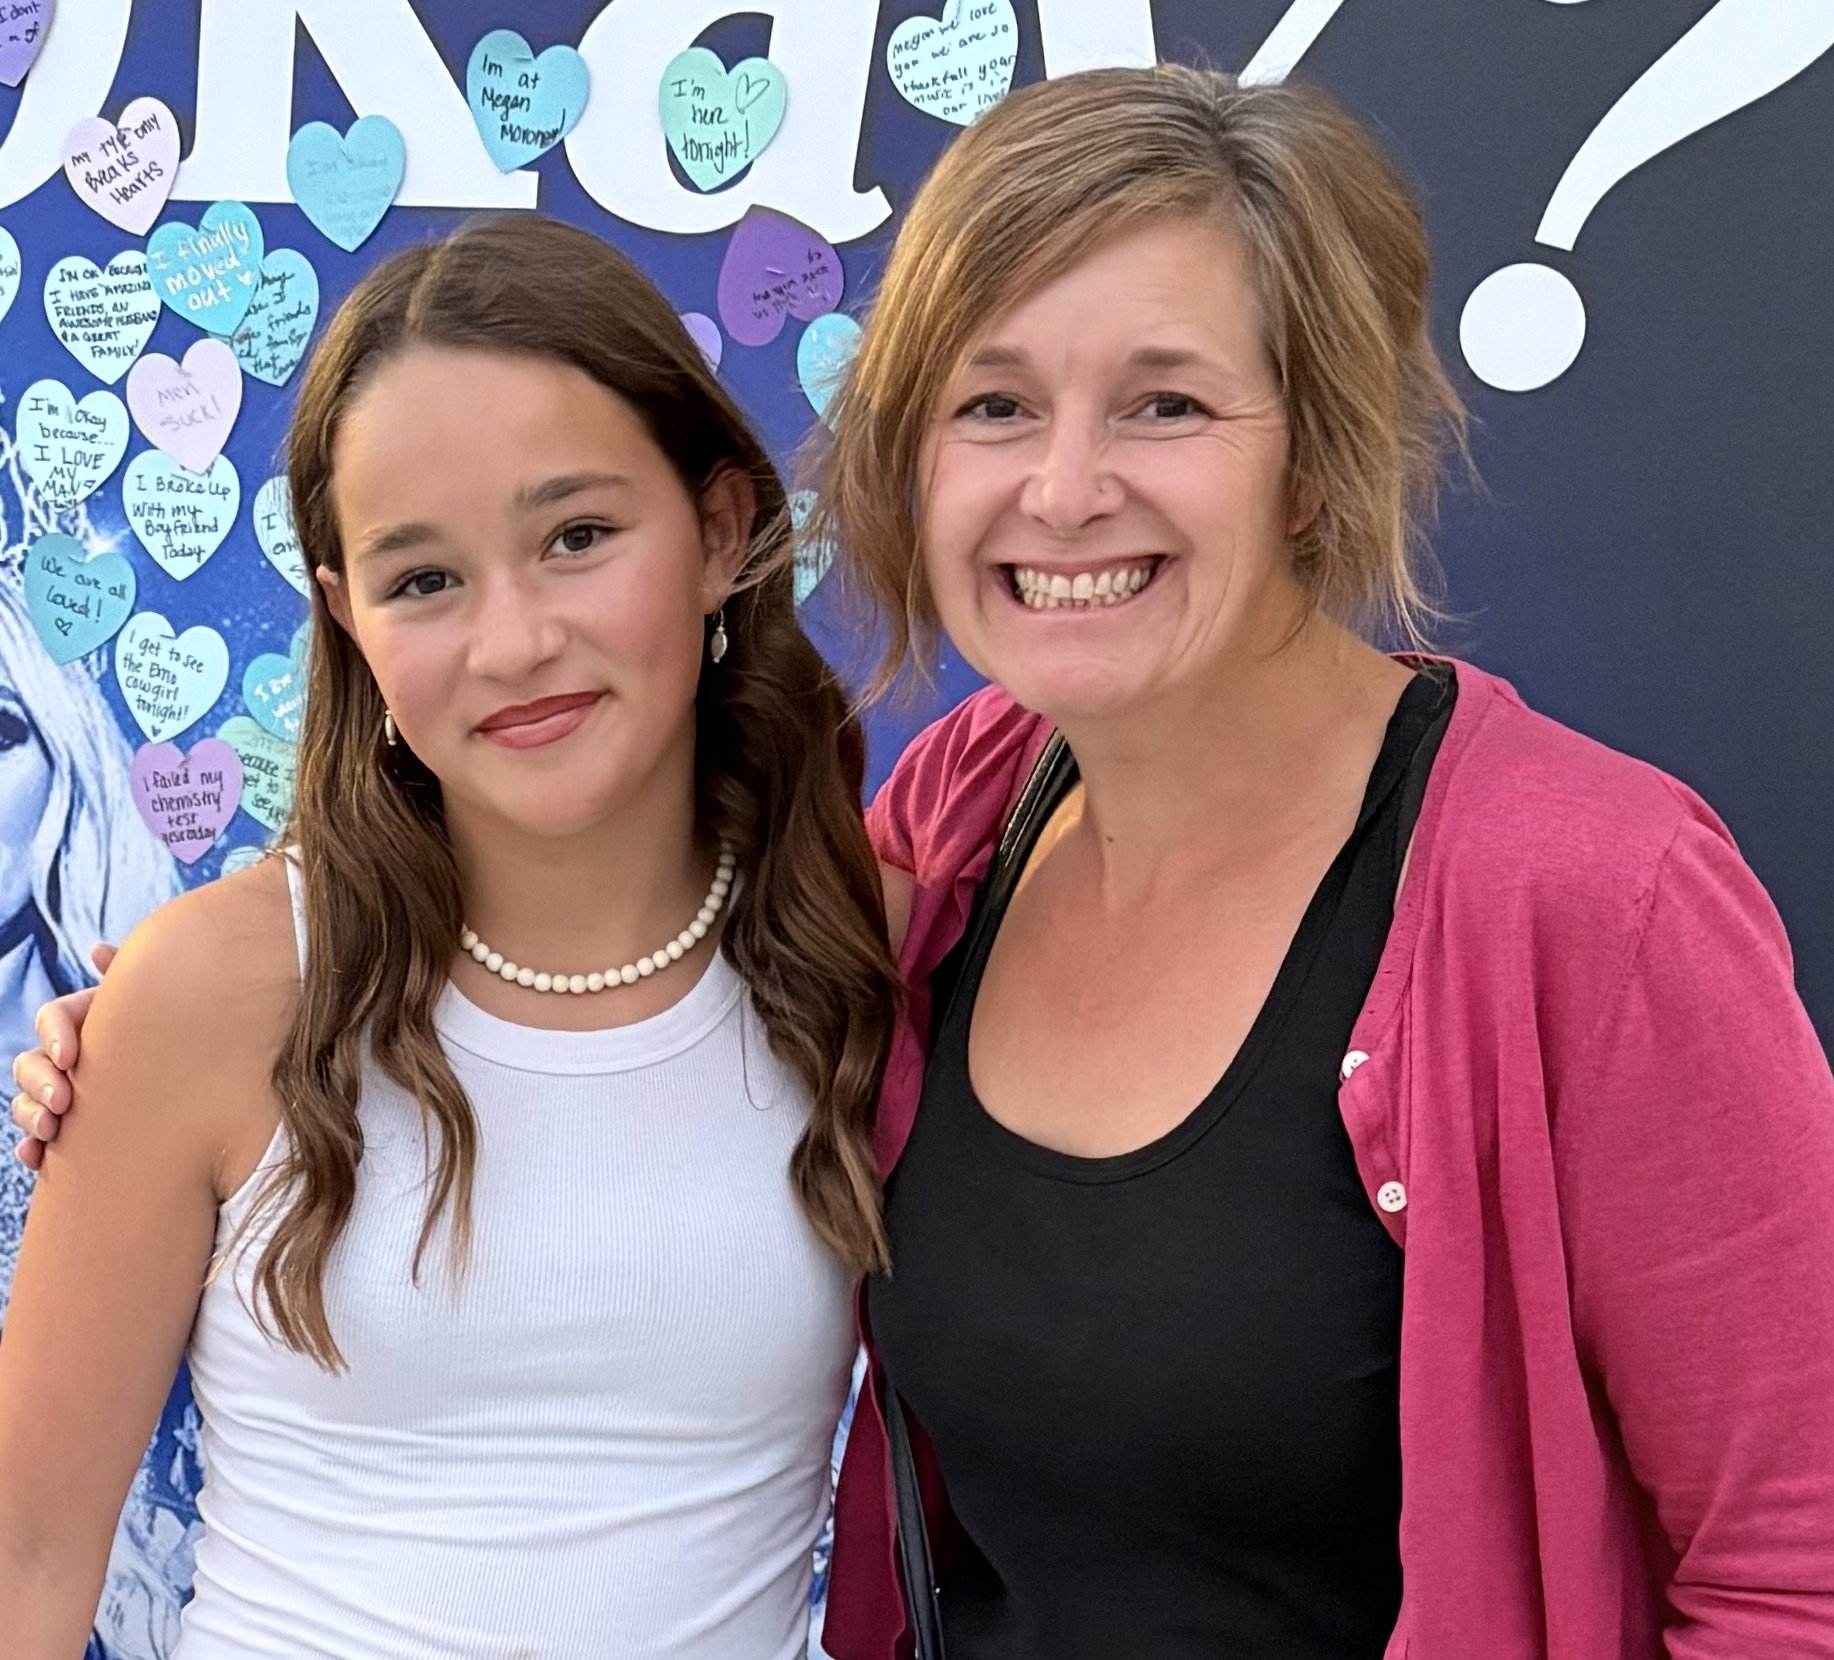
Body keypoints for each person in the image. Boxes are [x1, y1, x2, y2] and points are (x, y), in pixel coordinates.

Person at [18, 65, 1834, 1660]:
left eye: (1165, 404)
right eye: (990, 406)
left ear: (1313, 454)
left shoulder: (1583, 899)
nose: (1060, 490)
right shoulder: (950, 841)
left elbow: (1794, 1567)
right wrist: (152, 1027)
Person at [0, 213, 898, 1659]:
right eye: (425, 579)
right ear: (347, 618)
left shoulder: (868, 957)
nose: (513, 640)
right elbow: (25, 1562)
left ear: (720, 531)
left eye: (578, 537)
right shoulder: (219, 989)